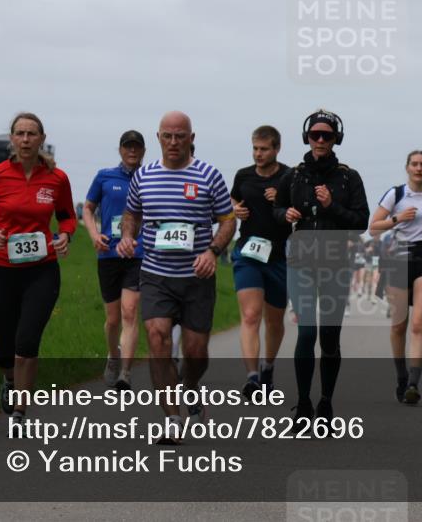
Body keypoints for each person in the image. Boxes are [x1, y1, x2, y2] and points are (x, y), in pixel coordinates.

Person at [117, 112, 235, 444]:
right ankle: (172, 419)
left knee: (196, 352)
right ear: (158, 137)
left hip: (197, 277)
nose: (173, 142)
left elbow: (228, 220)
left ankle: (191, 385)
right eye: (167, 136)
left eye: (180, 136)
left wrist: (212, 251)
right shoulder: (144, 176)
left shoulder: (209, 175)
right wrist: (127, 236)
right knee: (158, 339)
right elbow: (132, 213)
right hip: (156, 275)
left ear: (191, 138)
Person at [0, 112, 76, 430]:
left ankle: (20, 413)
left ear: (42, 139)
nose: (26, 139)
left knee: (26, 343)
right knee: (3, 351)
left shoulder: (57, 178)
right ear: (12, 139)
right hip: (1, 270)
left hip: (42, 271)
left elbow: (67, 216)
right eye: (20, 133)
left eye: (31, 134)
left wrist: (65, 235)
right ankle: (9, 381)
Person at [274, 109, 369, 427]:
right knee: (306, 332)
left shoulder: (349, 177)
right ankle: (303, 405)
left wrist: (332, 206)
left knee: (329, 337)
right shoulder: (293, 175)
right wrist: (284, 215)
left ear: (335, 139)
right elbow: (276, 209)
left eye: (326, 135)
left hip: (335, 263)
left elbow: (361, 221)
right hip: (300, 261)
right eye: (315, 134)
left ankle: (325, 402)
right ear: (307, 137)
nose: (320, 140)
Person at [369, 150, 422, 405]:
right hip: (398, 255)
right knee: (399, 325)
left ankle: (414, 383)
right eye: (414, 164)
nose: (419, 168)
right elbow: (373, 227)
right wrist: (397, 218)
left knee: (418, 324)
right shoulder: (396, 194)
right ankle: (401, 377)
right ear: (407, 168)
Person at [229, 125, 291, 398]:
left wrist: (282, 199)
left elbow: (300, 208)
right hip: (248, 254)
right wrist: (235, 209)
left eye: (264, 149)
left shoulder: (289, 176)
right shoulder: (243, 175)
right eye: (255, 148)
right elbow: (233, 199)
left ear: (277, 149)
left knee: (274, 321)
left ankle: (268, 366)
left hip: (279, 257)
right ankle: (252, 378)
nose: (258, 154)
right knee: (251, 315)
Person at [82, 130, 146, 391]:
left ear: (143, 151)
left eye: (137, 147)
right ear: (120, 150)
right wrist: (94, 234)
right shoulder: (105, 176)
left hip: (138, 254)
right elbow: (88, 208)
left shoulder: (149, 177)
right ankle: (113, 356)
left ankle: (126, 374)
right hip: (109, 253)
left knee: (130, 312)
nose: (132, 151)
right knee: (112, 320)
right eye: (128, 146)